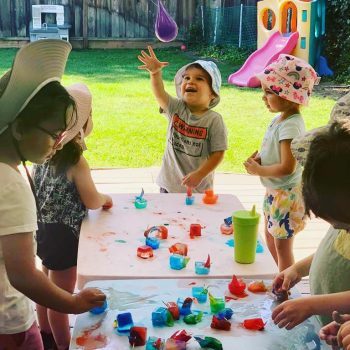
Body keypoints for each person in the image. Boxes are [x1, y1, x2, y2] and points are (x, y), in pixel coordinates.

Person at [0, 40, 105, 350]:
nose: (60, 142)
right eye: (54, 132)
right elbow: (23, 275)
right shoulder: (10, 184)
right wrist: (73, 303)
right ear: (19, 128)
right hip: (11, 326)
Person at [32, 83, 113, 350]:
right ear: (83, 122)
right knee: (61, 297)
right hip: (64, 235)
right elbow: (91, 199)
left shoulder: (44, 151)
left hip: (42, 228)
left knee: (45, 288)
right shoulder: (76, 159)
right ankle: (63, 345)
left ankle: (45, 334)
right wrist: (105, 199)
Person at [271, 91, 350, 332]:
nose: (339, 229)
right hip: (332, 329)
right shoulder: (345, 218)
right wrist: (298, 269)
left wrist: (314, 305)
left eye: (343, 225)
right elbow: (337, 252)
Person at [243, 54, 319, 271]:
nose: (263, 97)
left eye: (269, 92)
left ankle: (286, 286)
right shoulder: (280, 119)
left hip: (286, 195)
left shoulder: (291, 125)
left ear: (288, 96)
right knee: (270, 237)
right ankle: (280, 277)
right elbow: (276, 153)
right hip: (275, 192)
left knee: (282, 245)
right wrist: (260, 160)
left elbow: (288, 167)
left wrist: (259, 170)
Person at [138, 46, 227, 193]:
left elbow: (218, 154)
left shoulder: (214, 120)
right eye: (186, 78)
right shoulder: (176, 108)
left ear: (212, 93)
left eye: (199, 78)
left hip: (197, 189)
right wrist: (155, 73)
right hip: (169, 185)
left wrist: (200, 174)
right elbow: (159, 94)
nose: (190, 81)